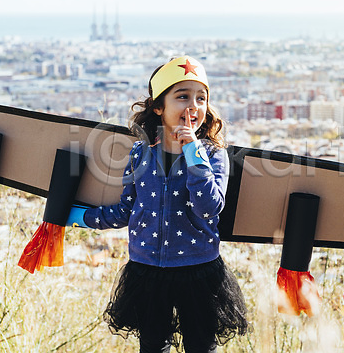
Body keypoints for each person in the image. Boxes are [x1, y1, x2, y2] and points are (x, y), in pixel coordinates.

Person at [67, 56, 248, 353]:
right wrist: (78, 217)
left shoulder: (213, 154)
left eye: (201, 98)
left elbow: (209, 207)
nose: (193, 106)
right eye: (182, 96)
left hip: (199, 270)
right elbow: (125, 209)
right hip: (147, 269)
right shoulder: (140, 154)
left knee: (201, 347)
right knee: (152, 347)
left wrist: (193, 151)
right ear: (158, 107)